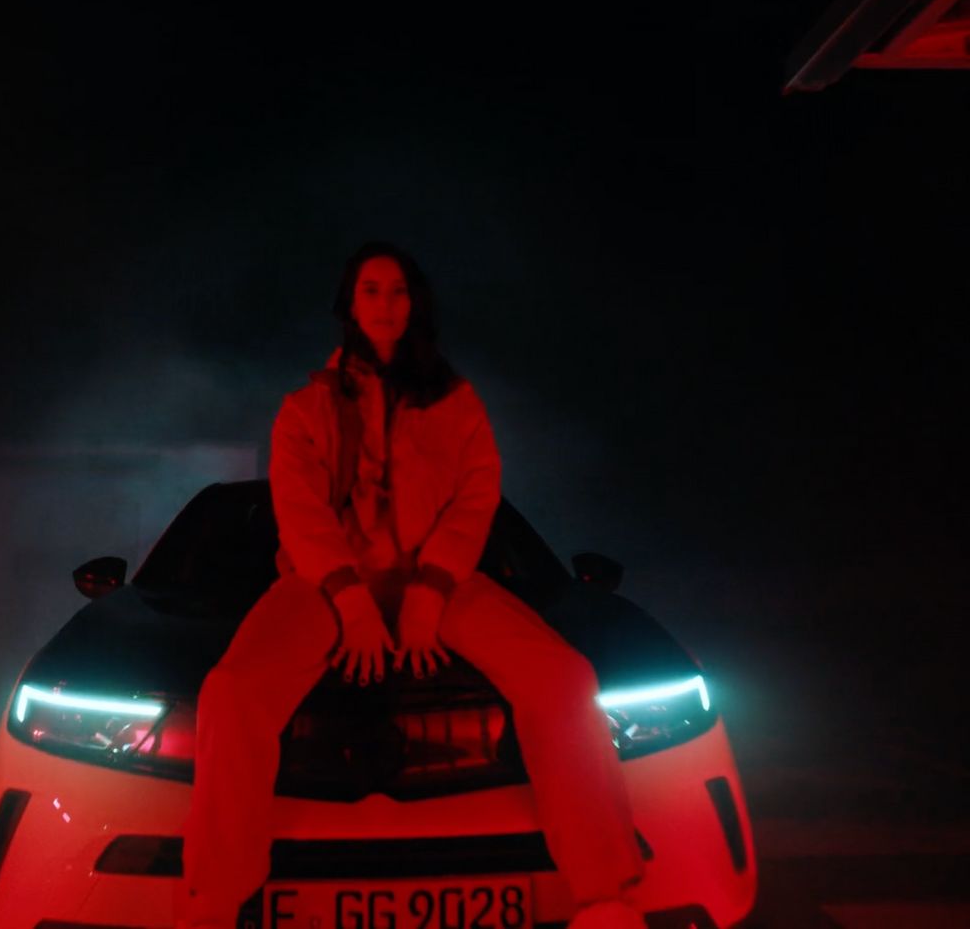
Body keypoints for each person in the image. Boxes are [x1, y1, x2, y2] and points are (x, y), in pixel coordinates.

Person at [179, 242, 647, 929]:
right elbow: (302, 512)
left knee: (567, 678)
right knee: (229, 692)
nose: (385, 304)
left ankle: (604, 898)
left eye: (398, 291)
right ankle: (216, 902)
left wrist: (429, 590)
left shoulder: (456, 403)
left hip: (443, 579)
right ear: (350, 303)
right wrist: (352, 603)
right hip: (323, 585)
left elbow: (476, 494)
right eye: (371, 290)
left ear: (415, 303)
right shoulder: (305, 407)